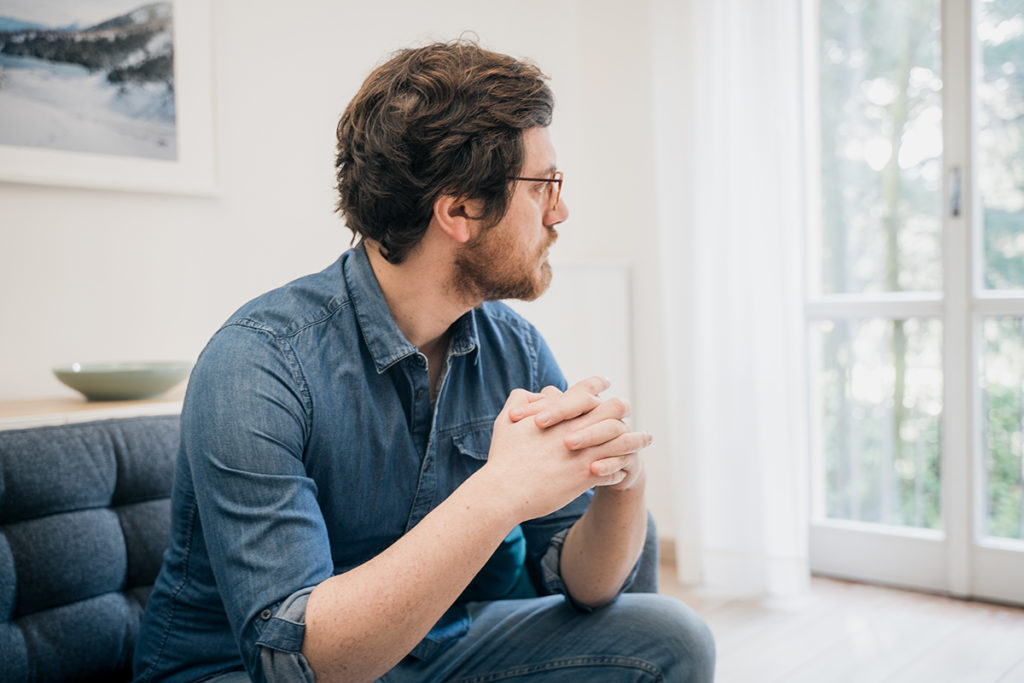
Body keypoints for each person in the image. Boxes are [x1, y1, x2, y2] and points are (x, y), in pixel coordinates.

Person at [133, 39, 715, 683]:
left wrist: (622, 484)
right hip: (239, 672)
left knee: (672, 638)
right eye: (544, 186)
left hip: (439, 649)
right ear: (460, 209)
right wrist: (498, 493)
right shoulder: (258, 364)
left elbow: (581, 585)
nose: (561, 212)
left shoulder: (512, 347)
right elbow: (300, 663)